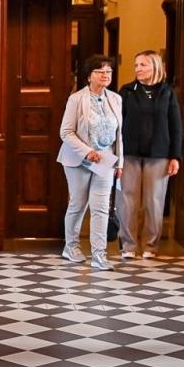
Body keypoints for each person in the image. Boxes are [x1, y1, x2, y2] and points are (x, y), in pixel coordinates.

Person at [58, 55, 123, 271]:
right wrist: (87, 152)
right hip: (77, 159)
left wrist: (119, 162)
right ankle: (71, 247)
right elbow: (66, 132)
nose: (105, 75)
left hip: (105, 159)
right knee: (78, 204)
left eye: (109, 72)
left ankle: (99, 255)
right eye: (100, 71)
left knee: (101, 207)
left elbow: (120, 134)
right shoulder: (76, 99)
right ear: (89, 76)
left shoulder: (116, 99)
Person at [117, 51, 181, 260]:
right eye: (136, 65)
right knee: (127, 200)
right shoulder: (126, 91)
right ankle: (128, 245)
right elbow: (117, 125)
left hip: (159, 154)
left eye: (143, 65)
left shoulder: (168, 93)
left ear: (155, 66)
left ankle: (150, 246)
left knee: (154, 201)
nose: (138, 69)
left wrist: (175, 157)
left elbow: (176, 126)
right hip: (129, 153)